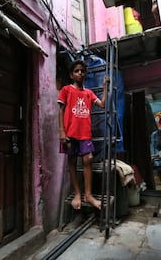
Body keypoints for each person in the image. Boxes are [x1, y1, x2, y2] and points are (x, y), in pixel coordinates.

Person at [57, 60, 109, 210]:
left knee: (88, 160)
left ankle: (88, 195)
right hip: (70, 132)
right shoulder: (66, 90)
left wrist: (105, 87)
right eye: (76, 71)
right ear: (71, 75)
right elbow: (60, 111)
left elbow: (102, 104)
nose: (80, 73)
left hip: (85, 133)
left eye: (82, 71)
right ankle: (77, 194)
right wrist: (61, 131)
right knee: (72, 162)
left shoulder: (89, 93)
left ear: (85, 73)